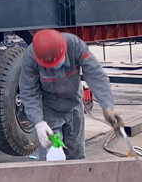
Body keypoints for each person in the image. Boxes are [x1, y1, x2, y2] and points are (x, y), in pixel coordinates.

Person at [19, 29, 124, 160]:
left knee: (76, 155)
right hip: (49, 110)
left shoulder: (75, 45)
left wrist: (107, 106)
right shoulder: (31, 56)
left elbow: (95, 74)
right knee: (52, 159)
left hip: (74, 106)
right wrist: (39, 122)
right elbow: (28, 91)